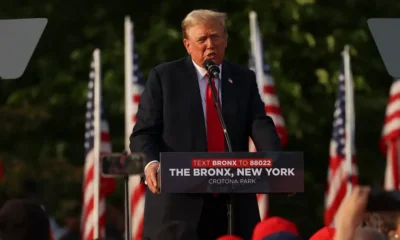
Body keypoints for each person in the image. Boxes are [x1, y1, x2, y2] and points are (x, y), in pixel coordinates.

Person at [130, 9, 281, 240]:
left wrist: (277, 162)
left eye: (215, 37)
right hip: (179, 208)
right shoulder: (164, 77)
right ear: (187, 45)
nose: (210, 44)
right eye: (202, 39)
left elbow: (259, 124)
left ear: (226, 39)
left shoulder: (242, 79)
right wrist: (150, 163)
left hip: (232, 205)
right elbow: (143, 133)